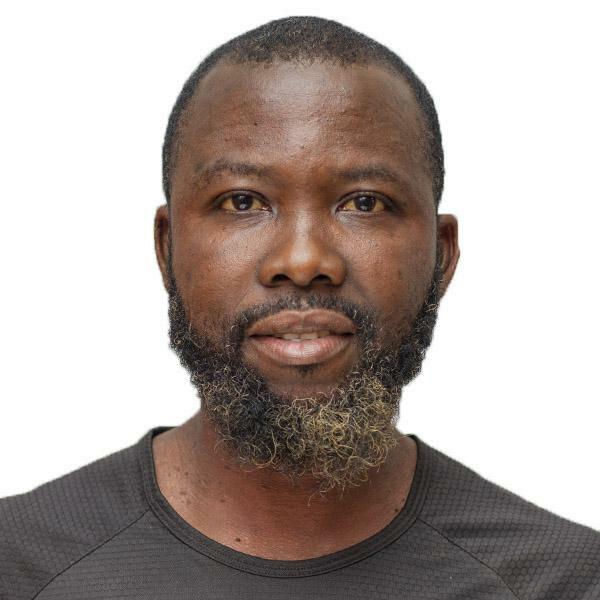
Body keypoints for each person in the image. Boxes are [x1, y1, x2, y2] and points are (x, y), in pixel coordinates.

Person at [1, 15, 598, 600]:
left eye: (365, 203)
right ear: (167, 249)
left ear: (441, 256)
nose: (305, 260)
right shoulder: (19, 565)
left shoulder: (564, 581)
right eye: (242, 202)